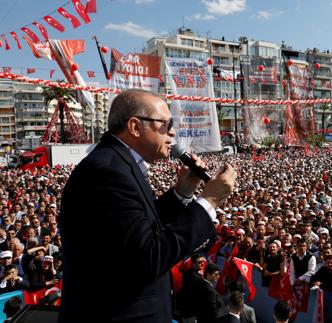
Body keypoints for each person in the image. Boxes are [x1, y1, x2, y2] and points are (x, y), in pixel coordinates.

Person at [58, 89, 237, 323]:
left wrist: (182, 192)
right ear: (134, 127)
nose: (172, 132)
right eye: (165, 124)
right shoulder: (108, 172)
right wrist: (209, 201)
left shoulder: (115, 164)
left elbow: (136, 232)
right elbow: (148, 256)